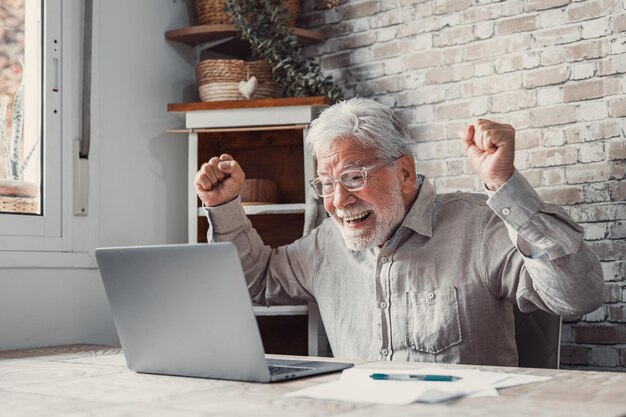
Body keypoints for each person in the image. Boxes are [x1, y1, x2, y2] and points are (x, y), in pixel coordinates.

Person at [194, 98, 605, 366]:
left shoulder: (478, 225)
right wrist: (222, 206)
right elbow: (255, 282)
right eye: (326, 184)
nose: (337, 201)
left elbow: (578, 295)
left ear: (404, 172)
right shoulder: (325, 244)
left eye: (353, 177)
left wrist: (504, 186)